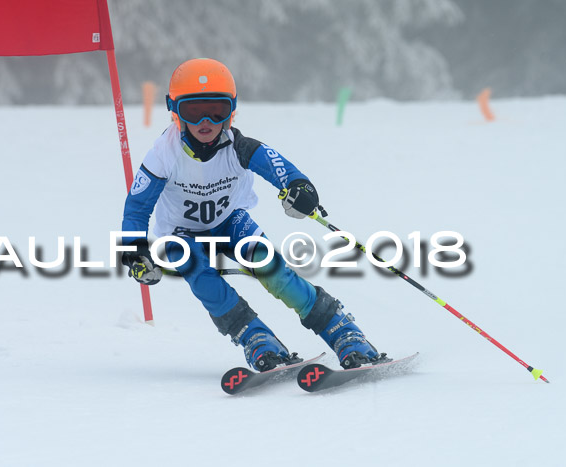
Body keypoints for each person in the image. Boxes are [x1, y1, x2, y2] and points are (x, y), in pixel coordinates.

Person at [121, 58, 385, 371]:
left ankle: (341, 329)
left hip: (231, 222)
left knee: (273, 272)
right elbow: (137, 206)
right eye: (193, 111)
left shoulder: (238, 146)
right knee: (202, 278)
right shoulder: (164, 153)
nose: (205, 121)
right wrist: (134, 248)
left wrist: (299, 187)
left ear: (231, 111)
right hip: (180, 233)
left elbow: (282, 169)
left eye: (217, 110)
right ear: (175, 111)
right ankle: (256, 337)